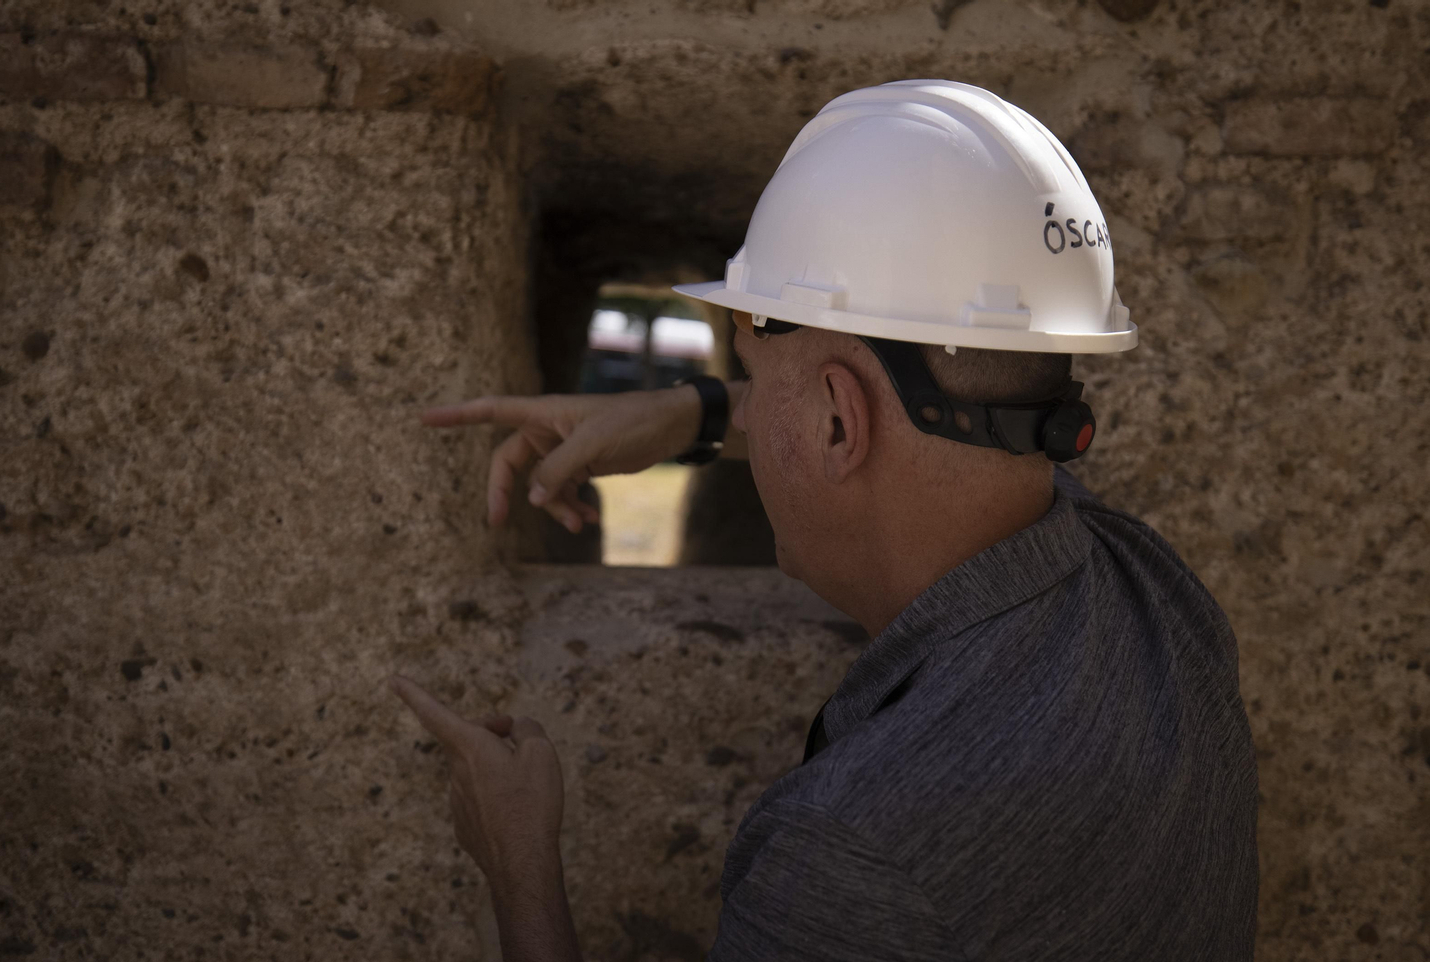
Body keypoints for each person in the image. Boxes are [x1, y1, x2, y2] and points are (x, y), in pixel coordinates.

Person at [416, 80, 1258, 960]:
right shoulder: (1156, 594)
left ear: (833, 422)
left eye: (755, 362)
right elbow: (937, 425)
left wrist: (516, 864)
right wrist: (701, 410)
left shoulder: (854, 852)